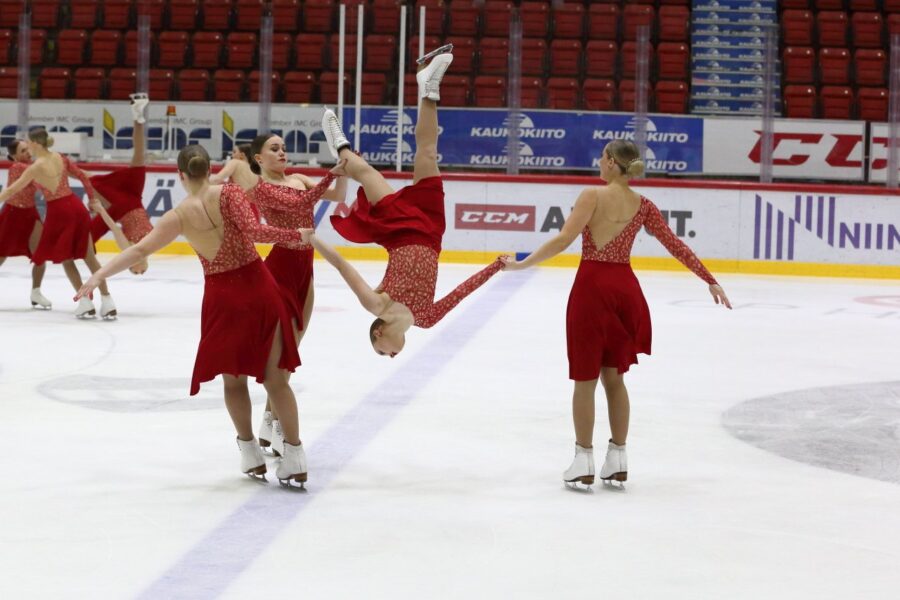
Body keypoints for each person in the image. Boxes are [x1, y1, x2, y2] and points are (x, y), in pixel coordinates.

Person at [75, 144, 310, 487]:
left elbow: (139, 249)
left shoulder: (179, 215)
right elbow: (256, 233)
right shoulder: (229, 194)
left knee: (233, 381)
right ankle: (294, 456)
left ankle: (249, 451)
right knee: (276, 378)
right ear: (209, 168)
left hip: (223, 297)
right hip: (260, 290)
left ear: (180, 175)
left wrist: (99, 274)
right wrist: (293, 234)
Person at [501, 140, 732, 489]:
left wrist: (522, 264)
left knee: (585, 378)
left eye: (601, 157)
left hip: (593, 289)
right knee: (615, 379)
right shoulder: (643, 205)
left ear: (611, 162)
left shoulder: (591, 196)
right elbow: (675, 245)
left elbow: (564, 239)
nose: (598, 162)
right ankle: (618, 458)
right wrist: (709, 279)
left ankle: (583, 459)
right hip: (625, 290)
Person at [304, 50, 504, 358]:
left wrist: (312, 237)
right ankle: (428, 87)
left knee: (366, 172)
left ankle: (341, 147)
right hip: (431, 230)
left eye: (382, 352)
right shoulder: (426, 319)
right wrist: (495, 266)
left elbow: (342, 265)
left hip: (398, 231)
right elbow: (462, 292)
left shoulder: (377, 305)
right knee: (427, 153)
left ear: (379, 332)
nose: (390, 355)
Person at [212, 132, 347, 456]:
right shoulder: (258, 188)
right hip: (279, 273)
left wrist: (343, 171)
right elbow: (301, 203)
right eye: (274, 149)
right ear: (259, 158)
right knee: (280, 358)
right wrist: (332, 171)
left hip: (306, 273)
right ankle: (272, 427)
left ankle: (270, 421)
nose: (282, 152)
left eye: (284, 147)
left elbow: (337, 195)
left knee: (289, 357)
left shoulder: (300, 177)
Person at [0, 128, 116, 319]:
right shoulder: (60, 157)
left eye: (29, 142)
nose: (28, 146)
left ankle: (85, 301)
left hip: (59, 212)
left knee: (67, 260)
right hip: (77, 206)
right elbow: (81, 175)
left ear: (36, 144)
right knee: (90, 258)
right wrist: (92, 199)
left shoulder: (35, 167)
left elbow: (12, 189)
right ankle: (107, 300)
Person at [88, 93, 154, 276]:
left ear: (131, 265)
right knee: (139, 158)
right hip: (135, 198)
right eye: (140, 272)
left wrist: (101, 210)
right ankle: (138, 117)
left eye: (135, 272)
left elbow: (115, 229)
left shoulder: (129, 251)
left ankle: (63, 166)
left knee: (93, 181)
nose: (140, 272)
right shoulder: (152, 246)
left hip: (125, 206)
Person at [0, 138, 51, 309]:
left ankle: (36, 292)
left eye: (28, 149)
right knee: (1, 255)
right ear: (14, 156)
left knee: (40, 254)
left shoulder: (33, 166)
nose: (28, 153)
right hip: (12, 214)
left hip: (30, 213)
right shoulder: (17, 167)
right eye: (23, 151)